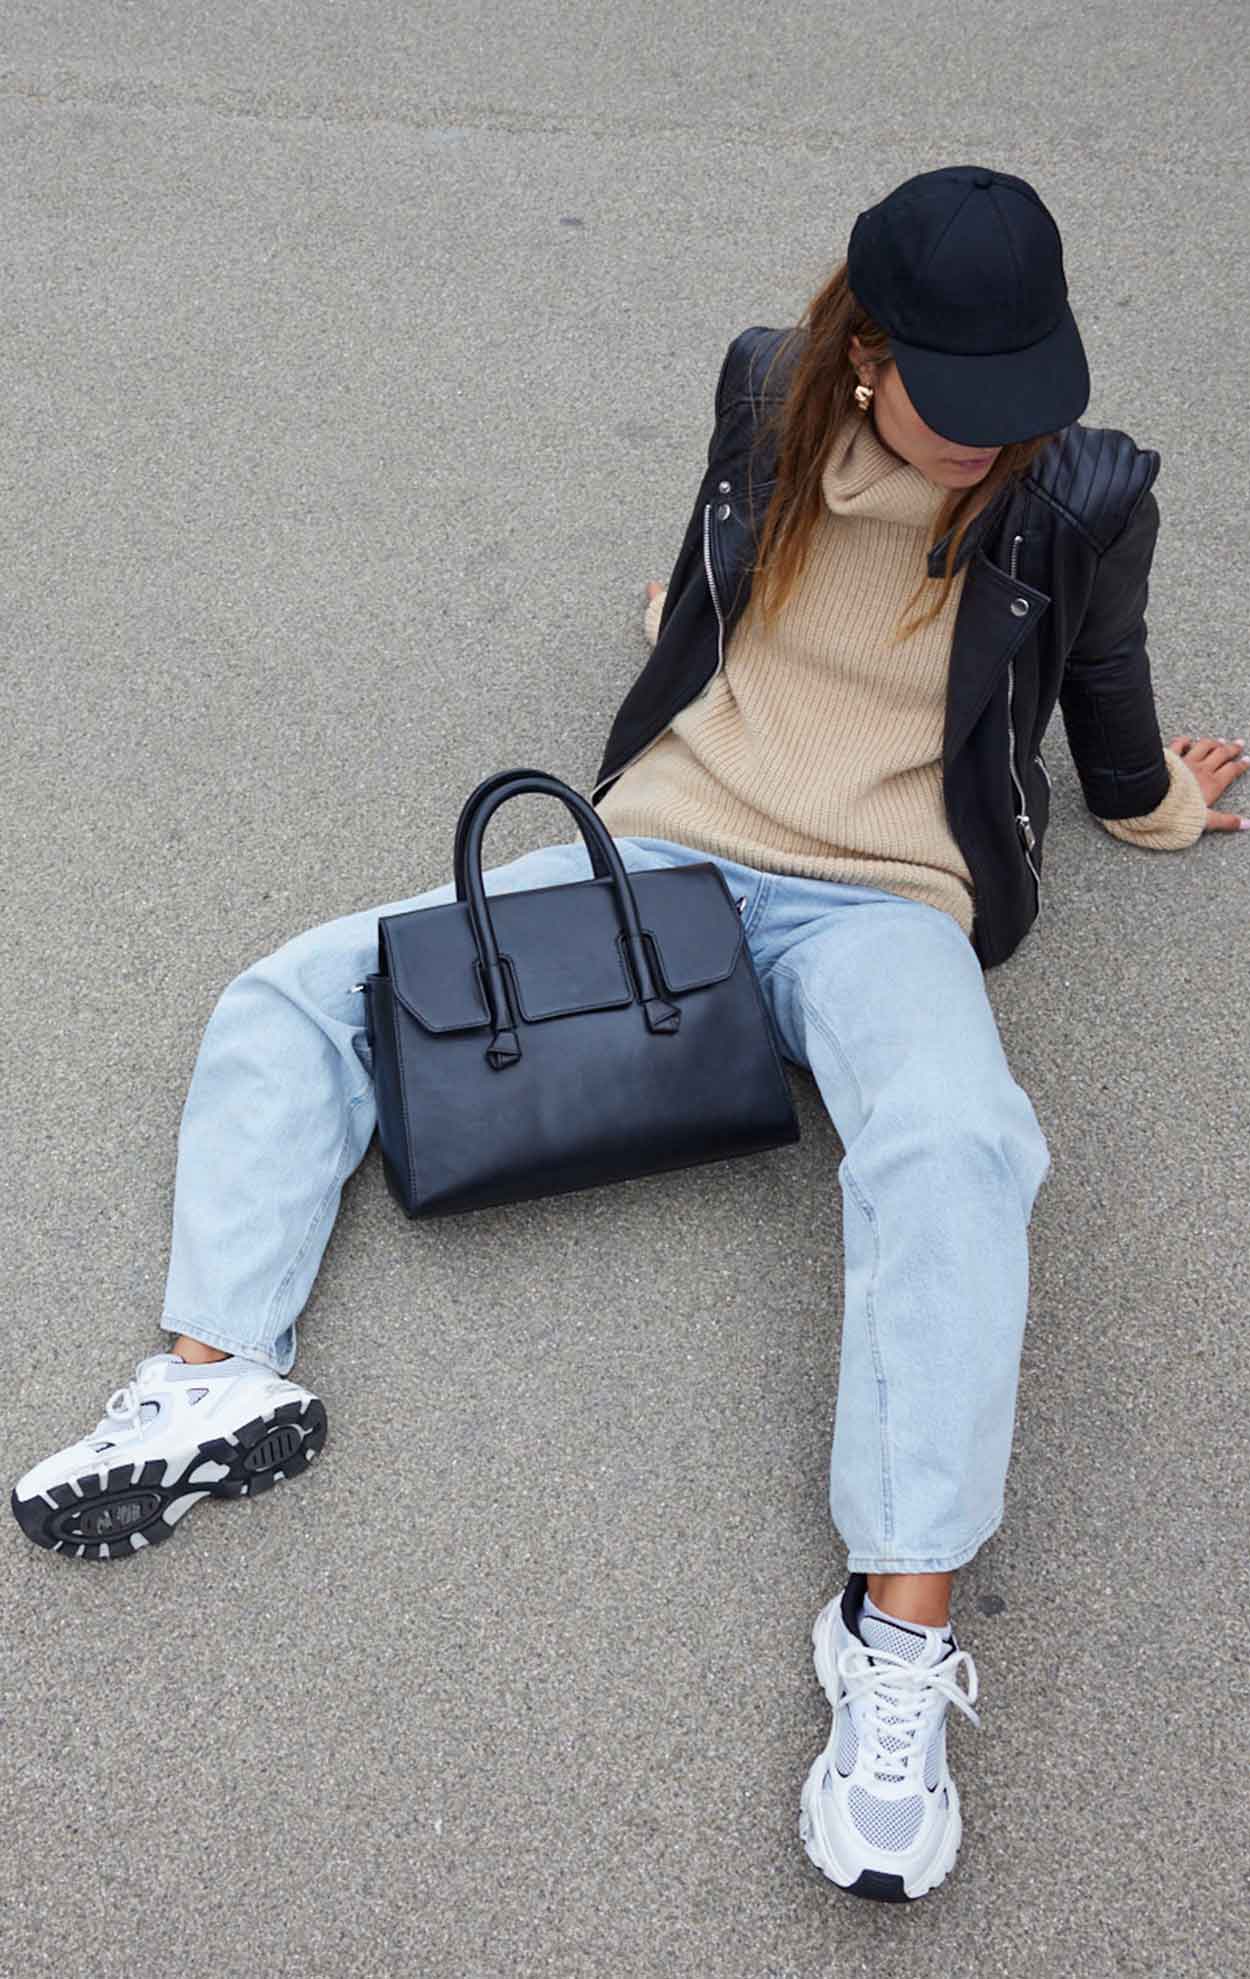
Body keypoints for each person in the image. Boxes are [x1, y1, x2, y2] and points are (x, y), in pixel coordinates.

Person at [12, 165, 1247, 1904]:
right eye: (955, 399)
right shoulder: (765, 386)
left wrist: (1149, 802)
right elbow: (709, 562)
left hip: (891, 898)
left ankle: (894, 1636)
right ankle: (214, 1378)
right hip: (670, 848)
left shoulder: (1084, 487)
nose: (991, 436)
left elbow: (1100, 680)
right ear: (865, 353)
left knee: (960, 1143)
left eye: (1019, 393)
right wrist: (686, 633)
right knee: (299, 990)